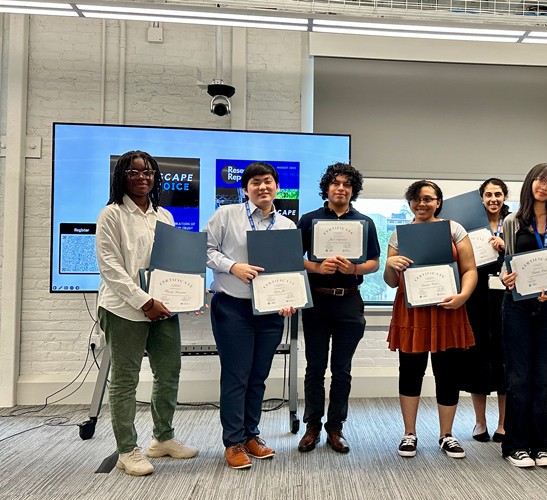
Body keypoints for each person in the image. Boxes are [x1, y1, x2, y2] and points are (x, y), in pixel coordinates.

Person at [96, 151, 198, 477]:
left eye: (149, 172)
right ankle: (127, 450)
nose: (143, 177)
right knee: (125, 380)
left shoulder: (164, 216)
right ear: (122, 176)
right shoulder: (111, 215)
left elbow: (174, 265)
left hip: (164, 308)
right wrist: (143, 301)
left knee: (169, 372)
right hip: (124, 309)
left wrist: (189, 294)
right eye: (135, 172)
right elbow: (111, 268)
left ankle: (163, 438)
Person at [205, 162, 297, 469]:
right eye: (255, 182)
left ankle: (250, 435)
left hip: (270, 312)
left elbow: (289, 269)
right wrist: (233, 266)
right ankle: (233, 442)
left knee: (258, 377)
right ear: (245, 189)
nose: (262, 187)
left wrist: (288, 299)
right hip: (233, 306)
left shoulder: (286, 226)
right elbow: (204, 250)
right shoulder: (226, 215)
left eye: (268, 181)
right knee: (236, 377)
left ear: (277, 187)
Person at [384, 180, 477, 459]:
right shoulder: (400, 235)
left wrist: (463, 296)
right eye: (415, 198)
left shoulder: (454, 229)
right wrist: (390, 265)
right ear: (409, 202)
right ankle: (409, 433)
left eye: (428, 198)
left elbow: (469, 269)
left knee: (448, 373)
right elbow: (390, 282)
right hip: (411, 311)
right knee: (410, 371)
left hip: (448, 308)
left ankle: (446, 435)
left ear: (438, 202)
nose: (421, 203)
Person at [296, 163, 381, 454]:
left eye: (347, 184)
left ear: (353, 190)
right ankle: (312, 428)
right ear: (327, 188)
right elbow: (295, 258)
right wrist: (316, 266)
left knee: (342, 370)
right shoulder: (309, 220)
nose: (341, 188)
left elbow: (374, 262)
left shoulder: (365, 222)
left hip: (349, 300)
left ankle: (336, 428)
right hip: (317, 300)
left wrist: (354, 266)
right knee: (314, 368)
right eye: (335, 183)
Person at [500, 163, 547, 468]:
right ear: (530, 183)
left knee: (543, 378)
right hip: (516, 306)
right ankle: (516, 445)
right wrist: (507, 276)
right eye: (539, 181)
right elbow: (507, 262)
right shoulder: (513, 221)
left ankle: (541, 445)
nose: (544, 187)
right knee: (518, 378)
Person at [462, 178, 510, 443]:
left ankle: (503, 423)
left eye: (498, 194)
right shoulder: (470, 226)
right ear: (481, 197)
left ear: (505, 197)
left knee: (504, 358)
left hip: (505, 296)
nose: (493, 199)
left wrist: (506, 246)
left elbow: (526, 255)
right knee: (476, 358)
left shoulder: (515, 222)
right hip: (476, 297)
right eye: (489, 194)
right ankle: (480, 422)